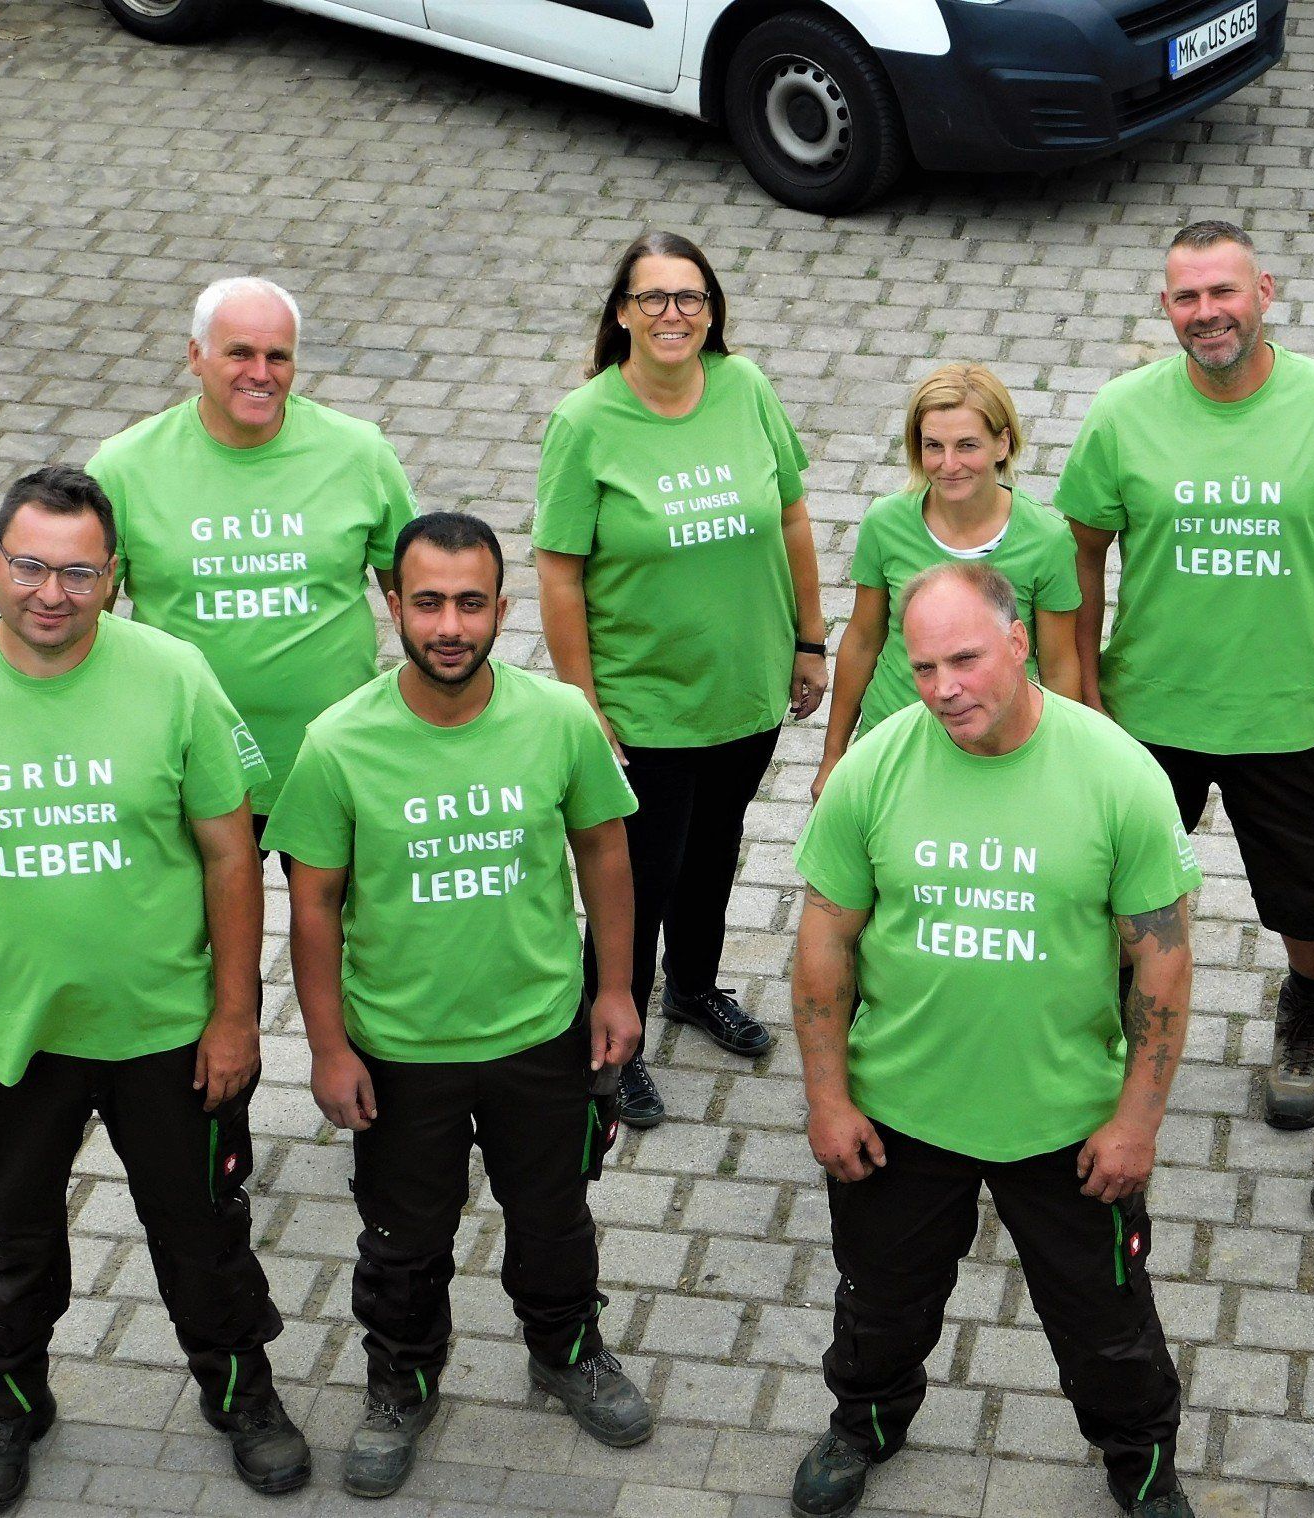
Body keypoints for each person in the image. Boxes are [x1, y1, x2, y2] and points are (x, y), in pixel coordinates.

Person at [0, 466, 308, 1514]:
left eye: (79, 572)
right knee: (7, 1250)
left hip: (168, 1033)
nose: (51, 592)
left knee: (204, 1239)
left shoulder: (175, 676)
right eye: (30, 566)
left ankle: (242, 1395)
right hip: (10, 1039)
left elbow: (231, 854)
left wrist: (236, 1017)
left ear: (113, 577)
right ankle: (6, 1408)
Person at [790, 562, 1203, 1518]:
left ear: (1020, 644)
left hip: (1066, 1124)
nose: (945, 688)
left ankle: (1141, 1464)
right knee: (879, 1302)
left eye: (966, 660)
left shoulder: (1117, 774)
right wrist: (828, 1099)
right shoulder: (874, 769)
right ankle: (864, 1423)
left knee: (1107, 1326)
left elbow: (1165, 963)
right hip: (900, 1114)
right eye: (925, 666)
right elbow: (823, 944)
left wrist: (1137, 1123)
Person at [264, 513, 653, 1497]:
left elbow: (605, 849)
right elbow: (312, 903)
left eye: (470, 603)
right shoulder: (338, 743)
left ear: (502, 610)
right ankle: (400, 1384)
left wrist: (614, 988)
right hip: (400, 1048)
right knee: (403, 1241)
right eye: (429, 602)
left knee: (555, 1217)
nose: (449, 625)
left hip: (542, 1034)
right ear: (392, 604)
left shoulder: (558, 719)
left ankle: (566, 1352)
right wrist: (328, 1048)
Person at [1057, 218, 1314, 1132]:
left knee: (1310, 901)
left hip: (1290, 720)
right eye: (1187, 297)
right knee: (1114, 894)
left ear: (1264, 294)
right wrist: (1083, 698)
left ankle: (1306, 1009)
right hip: (1145, 717)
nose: (1207, 312)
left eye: (1224, 291)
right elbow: (1079, 559)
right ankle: (1104, 1027)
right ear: (1165, 307)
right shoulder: (1122, 413)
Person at [535, 229, 829, 1127]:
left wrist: (809, 641)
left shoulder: (746, 387)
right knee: (638, 876)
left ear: (711, 312)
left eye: (690, 297)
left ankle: (693, 988)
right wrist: (583, 702)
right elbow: (559, 572)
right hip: (646, 704)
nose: (673, 313)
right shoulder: (586, 422)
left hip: (744, 688)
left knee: (714, 850)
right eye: (653, 297)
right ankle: (609, 1035)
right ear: (623, 313)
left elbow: (792, 517)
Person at [86, 275, 418, 855]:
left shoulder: (359, 454)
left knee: (342, 915)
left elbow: (417, 599)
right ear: (196, 356)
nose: (260, 374)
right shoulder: (123, 468)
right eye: (239, 352)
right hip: (188, 759)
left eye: (278, 357)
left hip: (331, 757)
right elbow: (90, 623)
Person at [812, 362, 1080, 799]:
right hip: (893, 739)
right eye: (933, 446)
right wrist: (833, 756)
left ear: (1002, 444)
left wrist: (1060, 762)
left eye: (967, 445)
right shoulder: (886, 523)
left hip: (996, 747)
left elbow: (1059, 666)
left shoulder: (1047, 541)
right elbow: (862, 640)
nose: (949, 464)